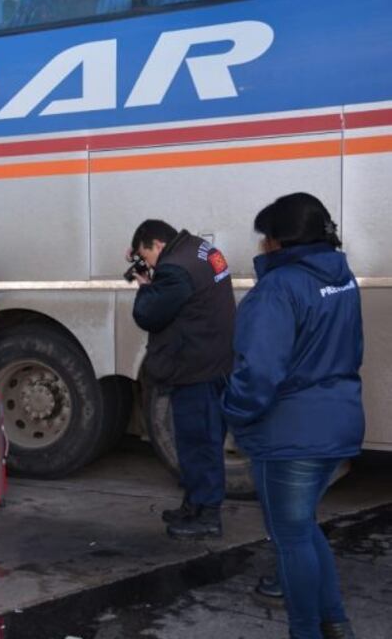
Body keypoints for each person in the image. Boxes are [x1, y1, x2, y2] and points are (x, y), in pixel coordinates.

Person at [222, 193, 363, 639]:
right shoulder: (342, 278)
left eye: (266, 236)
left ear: (280, 240)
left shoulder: (279, 288)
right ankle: (335, 621)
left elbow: (259, 370)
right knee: (303, 527)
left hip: (291, 431)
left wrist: (234, 413)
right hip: (338, 420)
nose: (263, 245)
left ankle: (306, 631)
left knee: (290, 536)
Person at [129, 220, 235, 539]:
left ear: (158, 244)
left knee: (198, 443)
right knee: (202, 439)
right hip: (215, 360)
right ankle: (194, 504)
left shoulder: (174, 270)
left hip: (195, 367)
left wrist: (147, 287)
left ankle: (207, 514)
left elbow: (147, 314)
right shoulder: (203, 250)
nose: (146, 264)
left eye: (145, 256)